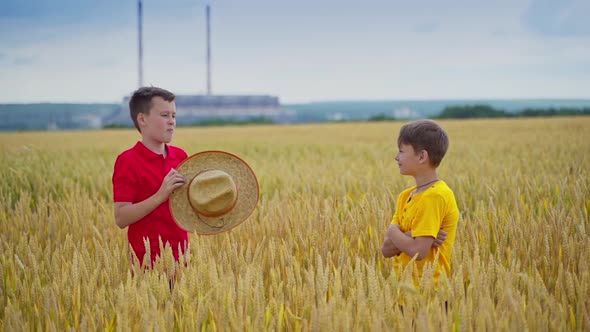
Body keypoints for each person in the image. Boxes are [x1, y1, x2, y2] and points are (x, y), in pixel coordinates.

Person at [112, 86, 188, 267]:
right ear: (142, 119)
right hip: (146, 263)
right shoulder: (128, 160)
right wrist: (160, 196)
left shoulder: (180, 156)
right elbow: (121, 218)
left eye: (174, 116)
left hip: (181, 258)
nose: (171, 122)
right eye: (164, 115)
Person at [381, 119, 459, 287]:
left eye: (401, 151)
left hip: (431, 295)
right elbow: (386, 250)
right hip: (403, 293)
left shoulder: (436, 196)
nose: (396, 157)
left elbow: (418, 250)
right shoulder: (405, 196)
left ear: (422, 156)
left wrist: (392, 230)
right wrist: (410, 236)